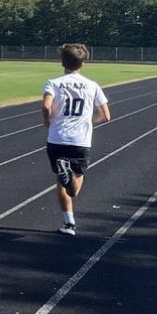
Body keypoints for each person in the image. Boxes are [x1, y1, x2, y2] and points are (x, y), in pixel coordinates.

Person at [43, 44, 111, 236]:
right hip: (80, 141)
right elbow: (106, 116)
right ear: (83, 63)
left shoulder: (53, 83)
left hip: (56, 138)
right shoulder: (92, 85)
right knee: (72, 189)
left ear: (62, 61)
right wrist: (87, 122)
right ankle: (69, 222)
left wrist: (47, 123)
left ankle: (69, 222)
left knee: (61, 181)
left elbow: (46, 107)